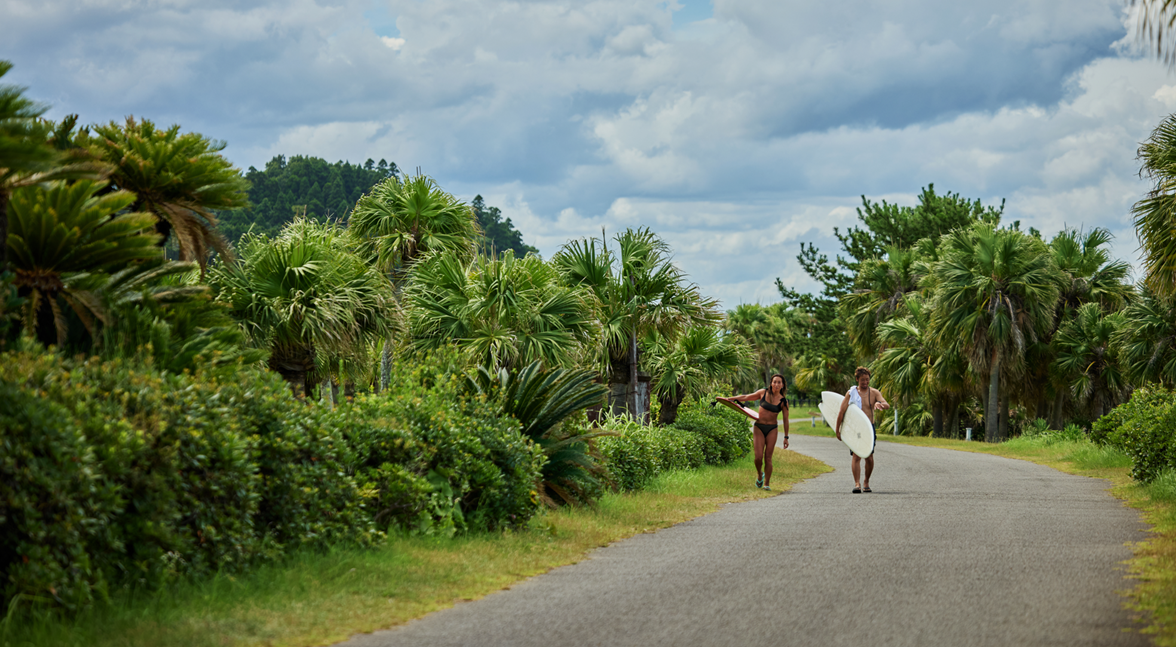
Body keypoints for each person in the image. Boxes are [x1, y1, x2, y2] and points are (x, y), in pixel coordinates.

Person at [717, 374, 790, 490]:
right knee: (758, 457)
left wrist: (786, 437)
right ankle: (760, 474)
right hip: (759, 428)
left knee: (768, 458)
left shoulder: (783, 401)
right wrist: (731, 399)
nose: (776, 384)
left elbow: (786, 420)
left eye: (779, 382)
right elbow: (746, 397)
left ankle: (766, 484)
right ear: (771, 383)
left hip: (772, 429)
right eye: (774, 382)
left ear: (782, 385)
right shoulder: (763, 393)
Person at [835, 366, 889, 494]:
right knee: (856, 456)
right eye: (862, 380)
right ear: (857, 379)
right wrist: (838, 430)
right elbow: (841, 412)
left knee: (869, 457)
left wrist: (879, 404)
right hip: (855, 429)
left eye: (867, 380)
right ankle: (857, 484)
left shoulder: (874, 392)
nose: (865, 382)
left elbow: (887, 404)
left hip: (869, 428)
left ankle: (866, 481)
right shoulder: (851, 393)